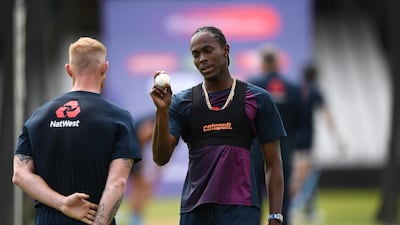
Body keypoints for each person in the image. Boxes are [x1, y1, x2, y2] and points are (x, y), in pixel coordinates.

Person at [149, 26, 286, 225]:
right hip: (194, 211)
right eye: (196, 54)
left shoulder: (258, 99)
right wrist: (161, 112)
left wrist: (275, 216)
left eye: (207, 50)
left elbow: (273, 163)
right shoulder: (181, 102)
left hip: (241, 210)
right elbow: (160, 158)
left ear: (226, 50)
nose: (201, 58)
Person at [12, 37, 142, 225]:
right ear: (104, 68)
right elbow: (117, 183)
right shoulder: (118, 118)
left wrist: (63, 203)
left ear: (69, 70)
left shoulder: (37, 117)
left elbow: (20, 174)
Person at [247, 45, 304, 225]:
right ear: (278, 63)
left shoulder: (253, 86)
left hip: (256, 154)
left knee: (254, 205)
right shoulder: (294, 89)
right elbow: (299, 124)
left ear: (263, 63)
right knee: (282, 205)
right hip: (283, 154)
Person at [290, 62, 343, 224]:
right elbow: (326, 115)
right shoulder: (315, 91)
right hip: (307, 140)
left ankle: (308, 209)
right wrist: (337, 138)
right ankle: (293, 209)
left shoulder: (296, 90)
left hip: (293, 138)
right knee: (305, 175)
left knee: (301, 175)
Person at [127, 114, 161, 225]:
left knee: (142, 187)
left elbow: (164, 155)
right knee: (140, 187)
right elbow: (143, 136)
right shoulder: (158, 120)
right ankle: (135, 218)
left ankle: (135, 217)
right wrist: (141, 162)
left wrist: (156, 172)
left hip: (131, 150)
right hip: (129, 149)